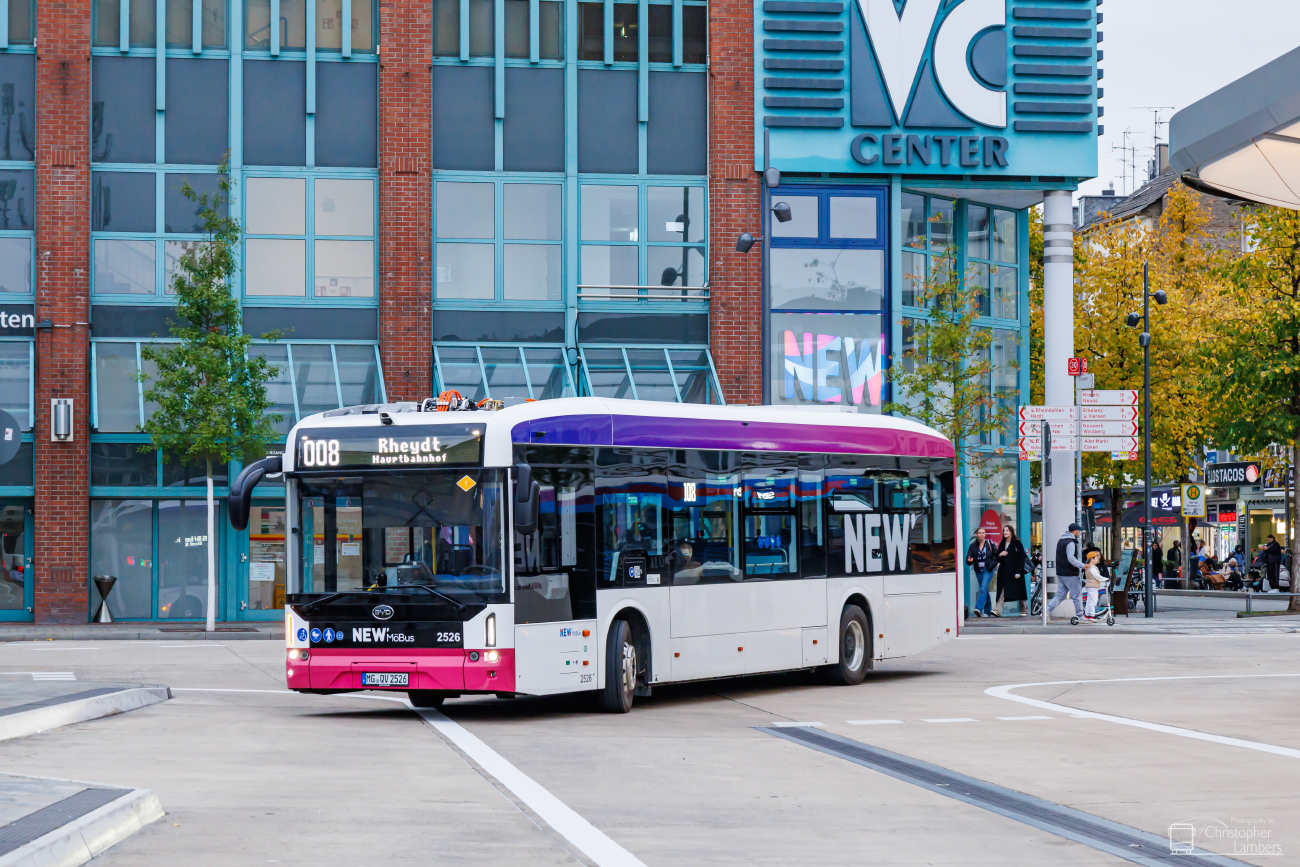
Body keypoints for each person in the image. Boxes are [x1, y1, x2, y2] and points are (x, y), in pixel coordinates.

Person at [1046, 523, 1085, 620]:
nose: (1079, 533)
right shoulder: (1070, 542)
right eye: (1079, 531)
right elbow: (1071, 558)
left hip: (1061, 573)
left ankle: (1046, 611)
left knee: (1060, 595)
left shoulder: (1061, 541)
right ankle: (1080, 617)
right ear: (1075, 531)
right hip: (1070, 573)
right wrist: (1083, 565)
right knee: (1077, 595)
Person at [995, 525, 1029, 617]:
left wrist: (1018, 572)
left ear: (1011, 532)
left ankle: (1024, 609)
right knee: (1003, 589)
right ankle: (997, 610)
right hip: (1004, 571)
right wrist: (1001, 554)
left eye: (1007, 530)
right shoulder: (1002, 543)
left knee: (1020, 590)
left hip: (1015, 571)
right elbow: (997, 558)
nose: (1005, 532)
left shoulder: (1017, 543)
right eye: (1004, 530)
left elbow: (1021, 558)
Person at [965, 527, 998, 618]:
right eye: (979, 533)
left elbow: (996, 556)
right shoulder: (973, 546)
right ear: (977, 535)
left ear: (985, 534)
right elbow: (968, 558)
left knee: (983, 588)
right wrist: (969, 561)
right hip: (978, 570)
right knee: (984, 589)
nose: (981, 534)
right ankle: (987, 611)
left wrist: (991, 565)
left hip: (988, 569)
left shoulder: (990, 544)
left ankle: (978, 609)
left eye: (983, 533)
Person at [1081, 548, 1105, 622]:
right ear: (1092, 559)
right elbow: (1096, 576)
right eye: (1096, 558)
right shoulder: (1092, 568)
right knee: (1093, 601)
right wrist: (1104, 579)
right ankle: (1092, 615)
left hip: (1090, 585)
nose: (1098, 560)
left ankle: (1087, 614)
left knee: (1089, 600)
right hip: (1093, 586)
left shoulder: (1089, 567)